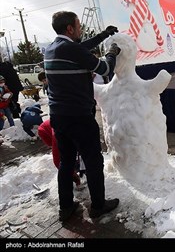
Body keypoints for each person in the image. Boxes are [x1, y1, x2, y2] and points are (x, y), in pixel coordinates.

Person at [44, 11, 121, 221]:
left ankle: (66, 207)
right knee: (93, 161)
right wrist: (112, 52)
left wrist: (103, 35)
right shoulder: (71, 49)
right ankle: (98, 206)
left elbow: (80, 48)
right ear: (70, 28)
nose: (80, 29)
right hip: (79, 117)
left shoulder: (52, 49)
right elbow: (105, 68)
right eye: (78, 26)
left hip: (59, 117)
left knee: (66, 162)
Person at [38, 119, 82, 186]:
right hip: (44, 131)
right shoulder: (58, 137)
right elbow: (57, 161)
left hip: (61, 124)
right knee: (61, 152)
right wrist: (73, 175)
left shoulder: (81, 129)